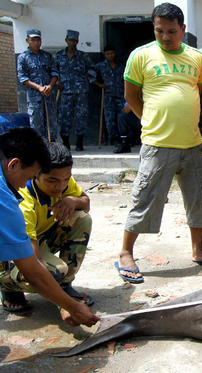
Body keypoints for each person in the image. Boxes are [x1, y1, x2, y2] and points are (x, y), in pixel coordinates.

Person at [117, 2, 202, 283]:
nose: (165, 36)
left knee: (198, 199)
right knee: (145, 198)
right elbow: (132, 96)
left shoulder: (196, 58)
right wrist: (150, 119)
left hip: (192, 143)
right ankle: (126, 252)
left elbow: (196, 91)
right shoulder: (140, 56)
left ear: (183, 30)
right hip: (157, 143)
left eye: (172, 31)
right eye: (159, 30)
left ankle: (198, 250)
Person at [0, 127, 98, 326]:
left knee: (82, 219)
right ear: (14, 164)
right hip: (24, 251)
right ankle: (8, 286)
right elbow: (32, 268)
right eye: (28, 177)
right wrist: (70, 306)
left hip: (40, 239)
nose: (60, 186)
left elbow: (84, 203)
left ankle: (62, 286)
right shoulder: (10, 201)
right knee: (53, 269)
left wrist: (72, 201)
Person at [56, 30, 95, 151]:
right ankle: (66, 142)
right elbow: (53, 71)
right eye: (70, 40)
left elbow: (93, 69)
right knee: (64, 118)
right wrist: (57, 82)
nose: (72, 43)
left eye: (74, 41)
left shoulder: (83, 56)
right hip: (65, 92)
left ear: (77, 42)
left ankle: (79, 142)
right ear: (66, 40)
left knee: (81, 117)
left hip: (80, 91)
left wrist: (86, 76)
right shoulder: (59, 55)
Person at [16, 29, 59, 141]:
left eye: (38, 40)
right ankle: (39, 150)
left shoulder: (47, 56)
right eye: (33, 40)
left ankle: (52, 148)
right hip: (34, 97)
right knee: (36, 125)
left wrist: (50, 85)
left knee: (51, 124)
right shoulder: (23, 57)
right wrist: (39, 87)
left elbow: (54, 73)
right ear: (27, 40)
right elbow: (23, 78)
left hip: (49, 95)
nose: (36, 42)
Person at [94, 45, 125, 150]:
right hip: (108, 96)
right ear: (104, 55)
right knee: (109, 118)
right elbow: (89, 75)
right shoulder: (100, 66)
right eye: (108, 54)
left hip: (121, 95)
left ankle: (124, 139)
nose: (110, 56)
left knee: (122, 117)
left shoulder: (121, 65)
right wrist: (99, 84)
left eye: (112, 53)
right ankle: (114, 139)